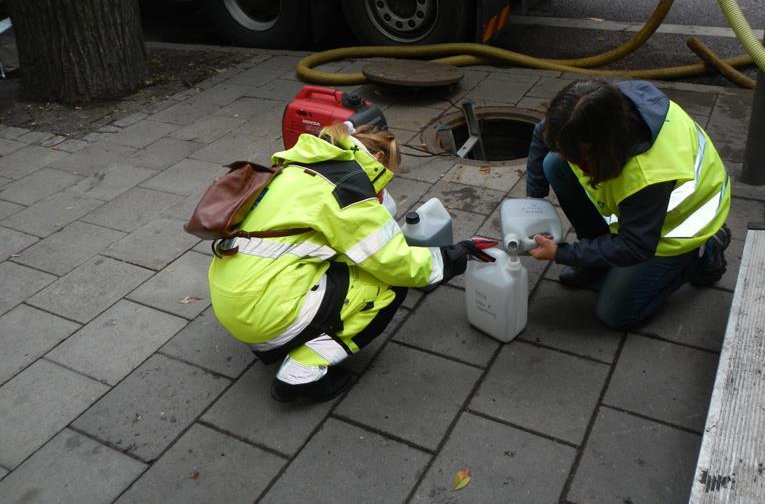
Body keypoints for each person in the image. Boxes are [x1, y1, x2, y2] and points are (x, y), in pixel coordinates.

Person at [208, 122, 494, 403]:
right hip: (261, 312)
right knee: (389, 288)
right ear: (379, 159)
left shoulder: (302, 165)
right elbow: (398, 265)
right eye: (390, 173)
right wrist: (455, 255)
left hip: (232, 293)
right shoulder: (347, 187)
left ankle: (293, 330)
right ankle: (300, 375)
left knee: (355, 268)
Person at [526, 79, 731, 329]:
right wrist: (533, 202)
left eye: (578, 155)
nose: (568, 155)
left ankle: (702, 254)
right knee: (554, 164)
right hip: (641, 216)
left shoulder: (647, 175)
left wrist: (562, 253)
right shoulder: (590, 113)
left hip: (678, 230)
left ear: (602, 148)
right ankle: (596, 259)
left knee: (615, 313)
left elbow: (635, 246)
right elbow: (541, 133)